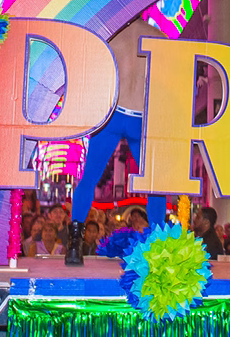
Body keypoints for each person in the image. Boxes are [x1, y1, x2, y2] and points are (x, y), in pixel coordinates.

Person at [66, 20, 169, 265]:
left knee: (89, 179)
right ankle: (158, 246)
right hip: (141, 115)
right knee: (155, 184)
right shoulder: (159, 36)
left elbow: (90, 73)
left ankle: (74, 244)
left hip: (112, 113)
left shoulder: (109, 30)